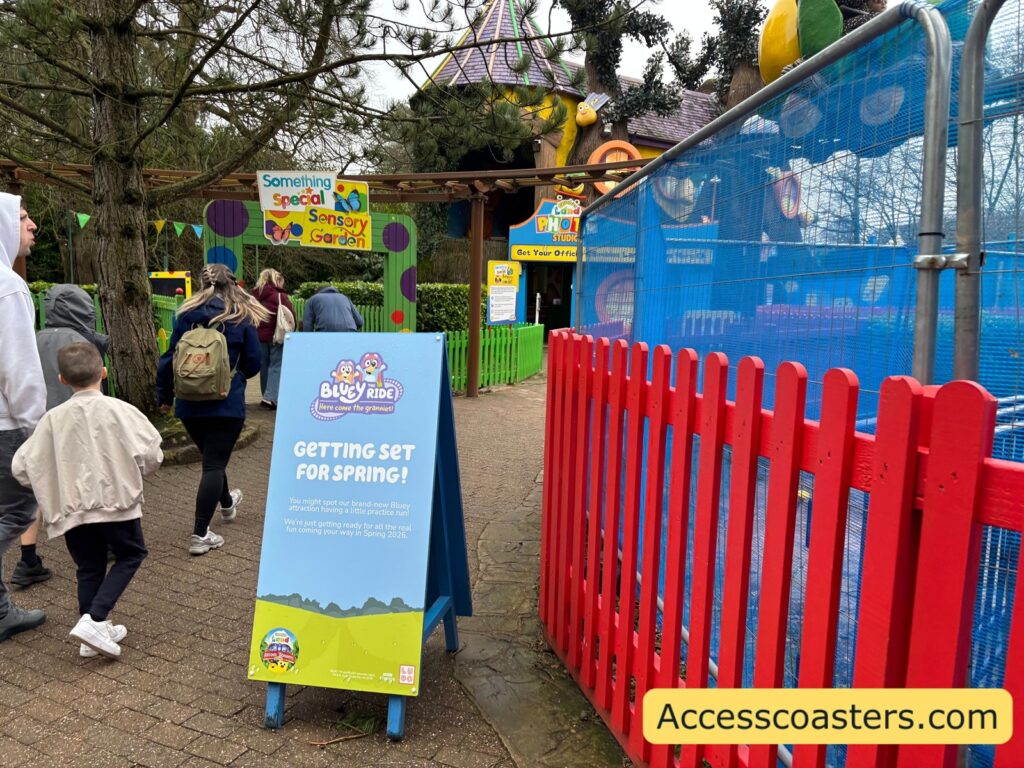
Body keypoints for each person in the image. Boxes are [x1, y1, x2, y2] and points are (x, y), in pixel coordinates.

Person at [12, 343, 162, 658]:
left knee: (89, 567)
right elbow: (151, 455)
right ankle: (95, 619)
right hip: (117, 503)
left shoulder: (52, 420)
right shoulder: (122, 411)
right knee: (131, 554)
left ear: (62, 380)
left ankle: (93, 631)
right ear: (103, 373)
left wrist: (50, 485)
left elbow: (22, 467)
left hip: (72, 509)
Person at [156, 263, 266, 555]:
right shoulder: (240, 315)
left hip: (189, 402)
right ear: (231, 284)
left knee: (212, 459)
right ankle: (200, 533)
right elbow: (254, 363)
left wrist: (164, 395)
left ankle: (227, 503)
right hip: (225, 402)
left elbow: (169, 358)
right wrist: (235, 377)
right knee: (214, 465)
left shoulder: (186, 315)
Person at [10, 283, 115, 588]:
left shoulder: (34, 337)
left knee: (33, 491)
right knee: (89, 481)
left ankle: (27, 560)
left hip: (37, 424)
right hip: (76, 424)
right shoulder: (83, 343)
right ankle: (102, 543)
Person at [0, 192, 47, 641]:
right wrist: (36, 430)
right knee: (18, 512)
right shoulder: (8, 286)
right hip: (6, 425)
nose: (32, 226)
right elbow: (20, 369)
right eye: (21, 217)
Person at [251, 268, 294, 410]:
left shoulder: (253, 296)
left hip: (259, 336)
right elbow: (290, 315)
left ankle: (266, 394)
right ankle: (270, 398)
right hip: (277, 336)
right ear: (277, 280)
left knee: (264, 365)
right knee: (276, 365)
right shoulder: (280, 296)